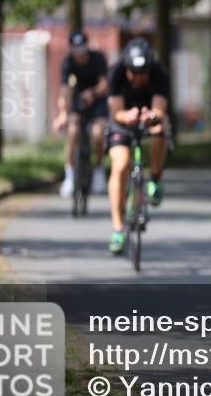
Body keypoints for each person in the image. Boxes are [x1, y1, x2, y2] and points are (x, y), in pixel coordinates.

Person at [105, 38, 170, 254]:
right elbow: (116, 112)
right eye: (134, 73)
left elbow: (160, 110)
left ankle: (156, 179)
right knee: (121, 164)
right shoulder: (115, 72)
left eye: (143, 73)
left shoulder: (160, 74)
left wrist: (151, 116)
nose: (138, 78)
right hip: (122, 120)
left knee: (160, 131)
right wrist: (128, 115)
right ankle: (117, 228)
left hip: (148, 117)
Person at [54, 31, 109, 197]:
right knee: (73, 132)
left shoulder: (98, 58)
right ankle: (70, 176)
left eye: (83, 50)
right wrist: (63, 113)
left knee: (98, 134)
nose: (80, 55)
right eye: (77, 51)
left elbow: (105, 84)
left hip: (97, 101)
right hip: (78, 102)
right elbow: (65, 90)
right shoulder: (68, 63)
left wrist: (92, 93)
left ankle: (99, 170)